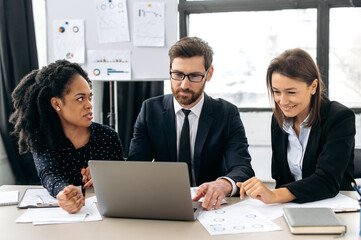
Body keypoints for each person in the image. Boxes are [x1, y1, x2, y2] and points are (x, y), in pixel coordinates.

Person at [128, 37, 255, 210]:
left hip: (212, 207)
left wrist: (222, 184)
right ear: (170, 71)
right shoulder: (150, 110)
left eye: (194, 76)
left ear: (208, 74)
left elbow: (242, 168)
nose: (184, 84)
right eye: (178, 74)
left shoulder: (226, 113)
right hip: (165, 203)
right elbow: (136, 167)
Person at [237, 48, 355, 204]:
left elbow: (327, 181)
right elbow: (280, 177)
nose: (283, 101)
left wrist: (275, 196)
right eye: (276, 92)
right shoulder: (279, 118)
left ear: (313, 86)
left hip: (334, 206)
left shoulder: (339, 117)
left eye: (291, 92)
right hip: (294, 207)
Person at [9, 60, 124, 213]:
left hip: (108, 216)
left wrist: (105, 174)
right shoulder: (43, 138)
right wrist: (65, 192)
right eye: (80, 98)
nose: (89, 104)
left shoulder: (108, 137)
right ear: (56, 104)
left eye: (90, 97)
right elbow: (49, 174)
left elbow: (124, 178)